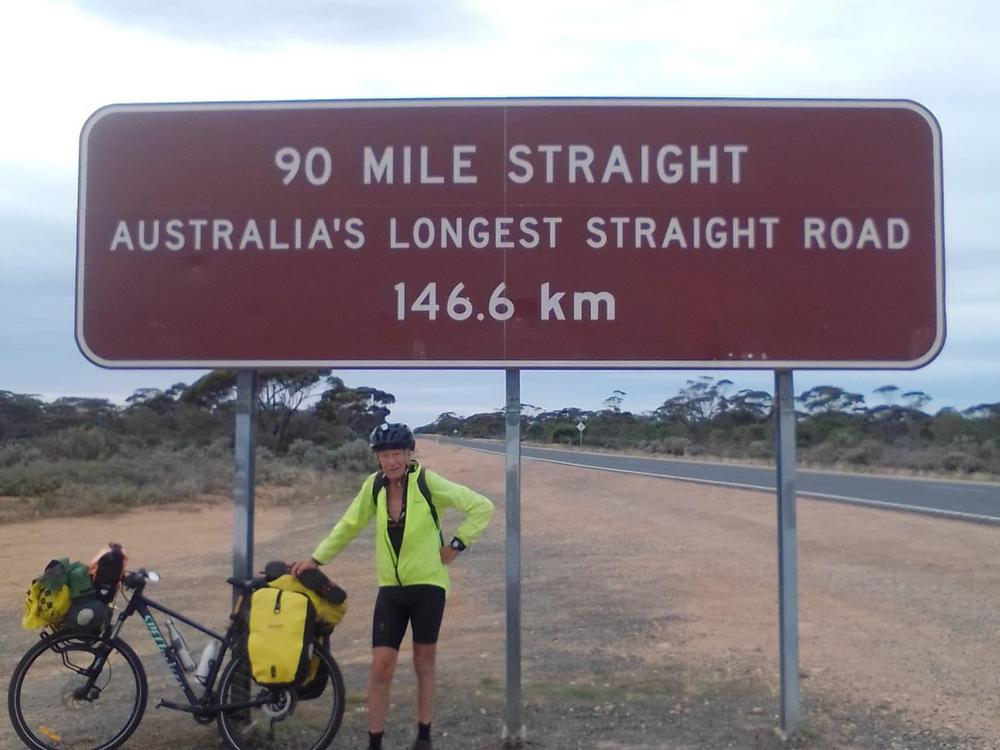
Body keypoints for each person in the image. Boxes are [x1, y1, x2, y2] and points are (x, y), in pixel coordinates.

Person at [291, 423, 494, 750]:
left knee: (423, 662)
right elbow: (348, 525)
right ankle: (375, 742)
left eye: (396, 453)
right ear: (378, 458)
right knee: (381, 666)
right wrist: (316, 559)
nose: (391, 461)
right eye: (384, 455)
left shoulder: (428, 482)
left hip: (428, 587)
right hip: (391, 591)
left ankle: (424, 736)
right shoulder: (374, 487)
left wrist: (456, 545)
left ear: (408, 453)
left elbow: (482, 506)